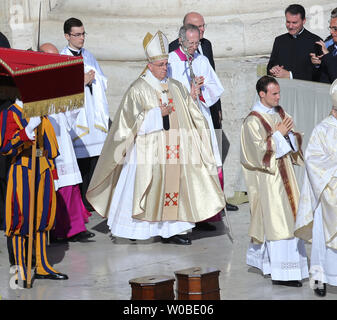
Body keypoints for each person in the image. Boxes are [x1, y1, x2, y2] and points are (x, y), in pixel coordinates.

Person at [86, 30, 226, 245]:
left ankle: (173, 231)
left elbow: (190, 114)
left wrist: (194, 99)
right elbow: (127, 125)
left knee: (174, 188)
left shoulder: (176, 86)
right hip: (145, 152)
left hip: (174, 150)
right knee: (146, 188)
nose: (165, 68)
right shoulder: (138, 89)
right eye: (160, 65)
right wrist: (154, 115)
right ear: (149, 65)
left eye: (166, 64)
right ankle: (137, 229)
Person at [240, 75, 309, 287]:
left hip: (286, 173)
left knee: (291, 220)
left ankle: (289, 268)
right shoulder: (252, 120)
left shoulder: (280, 112)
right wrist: (279, 135)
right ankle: (282, 273)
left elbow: (293, 135)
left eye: (279, 92)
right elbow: (257, 153)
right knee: (277, 223)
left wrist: (289, 136)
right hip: (269, 180)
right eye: (274, 93)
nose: (279, 97)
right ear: (262, 94)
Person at [169, 13, 238, 212]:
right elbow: (166, 91)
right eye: (190, 43)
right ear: (181, 41)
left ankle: (209, 211)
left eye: (196, 42)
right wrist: (188, 93)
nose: (194, 47)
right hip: (183, 120)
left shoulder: (201, 60)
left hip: (201, 116)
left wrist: (202, 91)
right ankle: (189, 209)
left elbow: (216, 87)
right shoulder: (171, 62)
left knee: (209, 161)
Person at [0, 98, 68, 286]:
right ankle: (21, 268)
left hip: (42, 169)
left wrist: (53, 175)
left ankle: (41, 265)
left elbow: (47, 149)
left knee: (42, 217)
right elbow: (5, 147)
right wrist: (27, 130)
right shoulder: (10, 113)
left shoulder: (40, 112)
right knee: (20, 218)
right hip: (22, 169)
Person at [39, 42, 95, 242]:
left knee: (70, 184)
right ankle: (58, 230)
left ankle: (75, 227)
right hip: (49, 142)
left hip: (63, 139)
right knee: (57, 187)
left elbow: (70, 117)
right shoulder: (36, 82)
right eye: (52, 57)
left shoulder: (59, 79)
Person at [61, 17, 110, 212]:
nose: (81, 38)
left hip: (92, 114)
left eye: (83, 34)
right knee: (81, 160)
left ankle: (91, 198)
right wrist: (80, 81)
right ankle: (80, 200)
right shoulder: (62, 57)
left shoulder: (88, 55)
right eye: (77, 35)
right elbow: (60, 89)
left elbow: (103, 80)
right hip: (77, 118)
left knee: (94, 159)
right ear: (67, 36)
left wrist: (94, 80)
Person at [295, 80, 337, 297]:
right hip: (327, 194)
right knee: (322, 243)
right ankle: (320, 279)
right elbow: (312, 163)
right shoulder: (322, 130)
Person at [267, 4, 322, 81]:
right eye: (288, 22)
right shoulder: (279, 40)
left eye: (294, 22)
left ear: (304, 21)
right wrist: (273, 70)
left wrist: (290, 75)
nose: (290, 26)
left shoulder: (315, 41)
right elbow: (270, 66)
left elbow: (318, 73)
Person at [310, 9, 337, 84]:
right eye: (330, 28)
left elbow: (335, 80)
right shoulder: (330, 48)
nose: (331, 32)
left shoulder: (327, 51)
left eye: (335, 29)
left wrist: (327, 55)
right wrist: (317, 64)